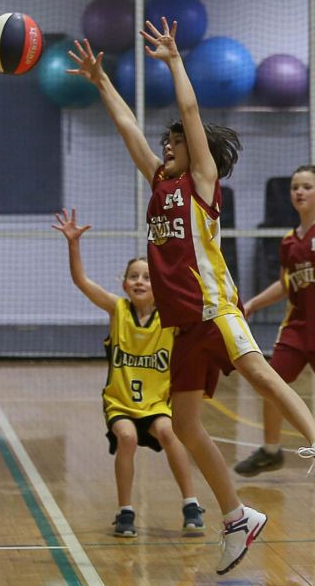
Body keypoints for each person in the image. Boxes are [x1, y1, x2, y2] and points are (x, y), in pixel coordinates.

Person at [66, 22, 315, 575]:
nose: (164, 147)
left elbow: (191, 115)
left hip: (214, 306)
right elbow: (128, 129)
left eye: (171, 142)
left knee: (260, 372)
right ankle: (237, 516)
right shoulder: (159, 183)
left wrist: (174, 61)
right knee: (188, 424)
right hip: (181, 325)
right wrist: (102, 83)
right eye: (167, 144)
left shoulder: (201, 183)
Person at [51, 207, 205, 538]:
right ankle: (125, 510)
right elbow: (81, 281)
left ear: (159, 285)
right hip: (120, 402)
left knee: (169, 432)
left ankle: (191, 503)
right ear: (124, 283)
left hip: (156, 402)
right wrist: (73, 244)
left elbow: (197, 298)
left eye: (147, 277)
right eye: (134, 276)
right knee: (127, 437)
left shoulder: (171, 317)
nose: (139, 281)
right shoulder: (117, 309)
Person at [235, 165, 315, 480]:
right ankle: (271, 450)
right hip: (297, 327)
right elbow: (285, 284)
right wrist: (252, 303)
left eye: (306, 186)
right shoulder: (290, 240)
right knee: (270, 382)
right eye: (295, 188)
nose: (299, 192)